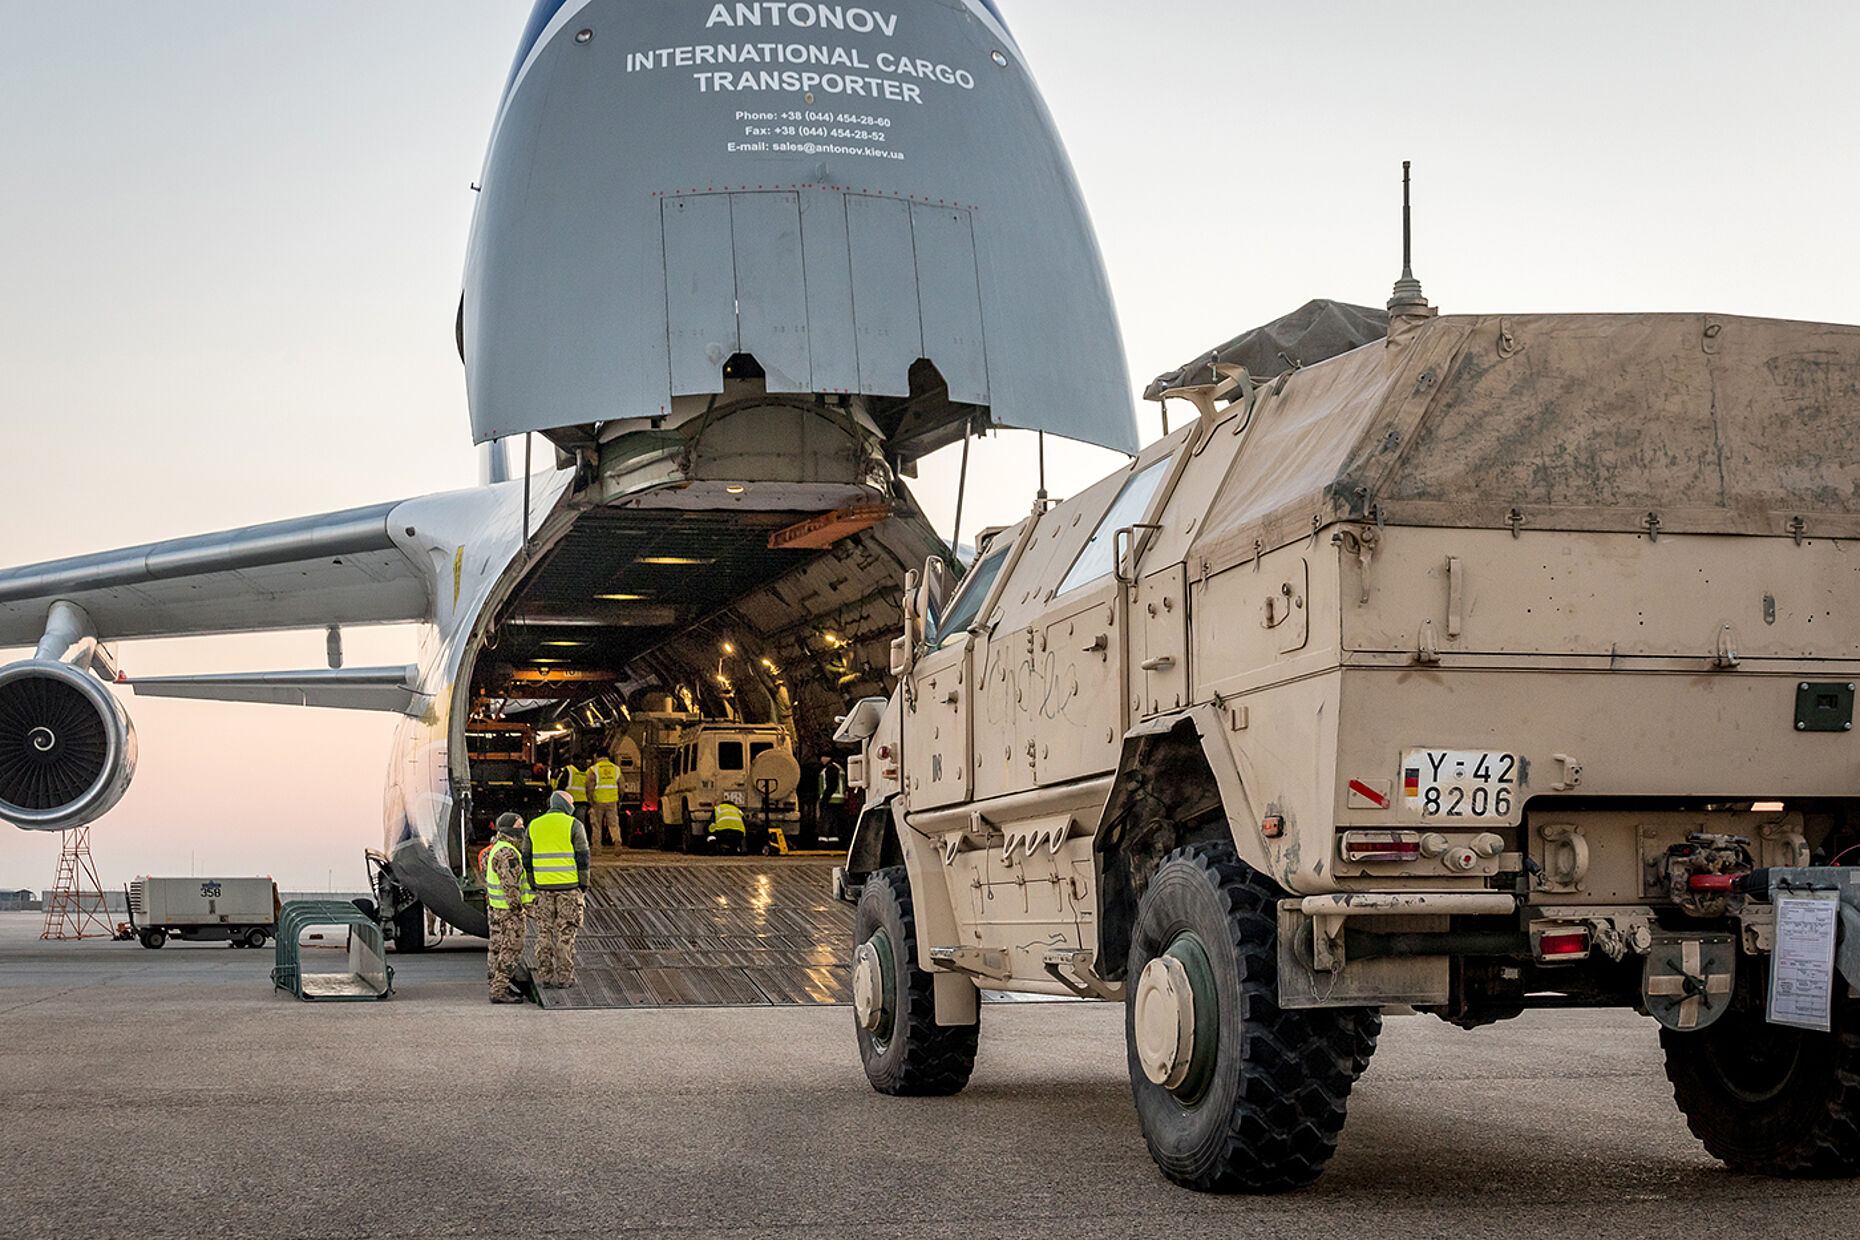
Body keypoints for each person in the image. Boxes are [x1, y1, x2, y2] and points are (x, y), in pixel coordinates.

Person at [522, 790, 590, 989]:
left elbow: (526, 859)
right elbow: (583, 858)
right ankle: (565, 977)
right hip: (568, 888)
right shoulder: (574, 825)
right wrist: (583, 884)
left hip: (543, 889)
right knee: (566, 933)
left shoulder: (534, 825)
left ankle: (544, 976)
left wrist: (534, 882)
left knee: (544, 932)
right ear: (565, 805)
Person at [481, 812, 532, 1004]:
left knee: (496, 948)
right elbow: (510, 885)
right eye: (519, 826)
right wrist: (518, 909)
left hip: (496, 909)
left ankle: (496, 983)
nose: (522, 829)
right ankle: (499, 989)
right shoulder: (508, 854)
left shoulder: (494, 850)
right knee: (511, 948)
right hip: (508, 911)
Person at [588, 753, 622, 849]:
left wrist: (590, 801)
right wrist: (618, 797)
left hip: (597, 801)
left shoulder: (593, 769)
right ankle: (617, 840)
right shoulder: (616, 769)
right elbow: (621, 786)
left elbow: (589, 787)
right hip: (612, 801)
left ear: (597, 757)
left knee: (596, 825)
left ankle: (597, 847)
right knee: (614, 823)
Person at [816, 755, 848, 842]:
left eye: (821, 757)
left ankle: (824, 842)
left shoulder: (831, 768)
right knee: (834, 822)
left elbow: (831, 785)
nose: (821, 760)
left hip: (830, 800)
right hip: (837, 799)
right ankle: (833, 842)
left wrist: (824, 799)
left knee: (826, 821)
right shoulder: (838, 767)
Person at [555, 759, 590, 827]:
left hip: (569, 800)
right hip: (583, 801)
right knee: (580, 823)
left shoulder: (569, 769)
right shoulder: (588, 771)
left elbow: (561, 785)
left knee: (568, 822)